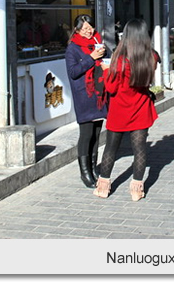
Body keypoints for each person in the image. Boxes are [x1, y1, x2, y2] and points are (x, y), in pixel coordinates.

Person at [94, 19, 159, 201]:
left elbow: (111, 88)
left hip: (119, 110)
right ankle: (137, 190)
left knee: (110, 149)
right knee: (140, 149)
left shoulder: (120, 60)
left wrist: (106, 70)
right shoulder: (151, 57)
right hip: (140, 108)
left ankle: (103, 187)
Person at [65, 14, 109, 188]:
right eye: (85, 28)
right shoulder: (72, 49)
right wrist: (91, 57)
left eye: (90, 27)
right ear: (77, 30)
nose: (89, 31)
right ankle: (85, 174)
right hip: (84, 95)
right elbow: (73, 72)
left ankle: (93, 168)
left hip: (99, 94)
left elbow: (107, 59)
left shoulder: (98, 41)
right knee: (86, 134)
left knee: (97, 134)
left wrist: (105, 57)